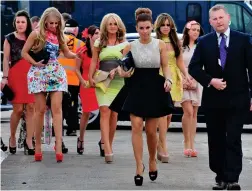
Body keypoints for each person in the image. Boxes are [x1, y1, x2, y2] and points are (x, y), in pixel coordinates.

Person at [189, 4, 252, 190]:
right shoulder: (204, 41)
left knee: (233, 138)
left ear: (228, 18)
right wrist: (210, 81)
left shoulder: (244, 40)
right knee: (216, 139)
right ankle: (220, 176)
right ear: (210, 22)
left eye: (221, 18)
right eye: (214, 19)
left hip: (237, 99)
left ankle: (233, 179)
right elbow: (194, 67)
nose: (218, 21)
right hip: (213, 100)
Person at [122, 8, 174, 186]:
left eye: (147, 28)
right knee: (136, 125)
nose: (144, 31)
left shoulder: (160, 44)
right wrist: (124, 73)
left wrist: (168, 79)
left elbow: (166, 66)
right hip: (136, 86)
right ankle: (138, 166)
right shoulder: (130, 46)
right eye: (141, 28)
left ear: (152, 27)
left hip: (154, 87)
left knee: (152, 131)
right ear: (136, 28)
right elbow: (124, 70)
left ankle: (152, 160)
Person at [22, 7, 80, 163]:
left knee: (57, 109)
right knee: (39, 110)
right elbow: (24, 52)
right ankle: (38, 146)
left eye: (56, 23)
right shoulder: (36, 34)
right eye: (50, 23)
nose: (53, 26)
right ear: (44, 22)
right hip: (39, 72)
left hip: (56, 72)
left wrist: (77, 54)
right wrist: (34, 63)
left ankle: (59, 144)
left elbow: (66, 53)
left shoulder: (60, 35)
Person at [89, 13, 131, 163]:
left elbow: (127, 62)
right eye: (110, 24)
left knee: (114, 115)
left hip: (118, 81)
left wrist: (119, 70)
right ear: (105, 26)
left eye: (115, 24)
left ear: (119, 26)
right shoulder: (99, 42)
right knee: (104, 110)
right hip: (102, 80)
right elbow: (94, 61)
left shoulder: (125, 43)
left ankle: (107, 143)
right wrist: (90, 76)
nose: (112, 26)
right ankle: (107, 148)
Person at [154, 13, 190, 162]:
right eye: (163, 24)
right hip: (160, 77)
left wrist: (186, 76)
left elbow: (180, 61)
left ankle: (159, 143)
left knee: (168, 115)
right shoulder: (155, 41)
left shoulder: (176, 41)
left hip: (174, 77)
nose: (166, 27)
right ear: (158, 26)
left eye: (168, 25)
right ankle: (163, 147)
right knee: (162, 113)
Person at [1, 10, 35, 155]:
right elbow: (6, 59)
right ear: (15, 23)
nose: (20, 24)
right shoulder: (9, 38)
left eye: (23, 22)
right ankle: (13, 138)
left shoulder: (32, 37)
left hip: (31, 75)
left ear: (27, 23)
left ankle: (29, 140)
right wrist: (5, 78)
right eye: (18, 22)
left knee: (31, 109)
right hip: (15, 75)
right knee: (18, 109)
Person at [176, 20, 204, 157]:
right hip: (183, 80)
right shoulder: (181, 45)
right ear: (187, 31)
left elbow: (204, 66)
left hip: (197, 81)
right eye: (193, 29)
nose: (196, 32)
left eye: (198, 30)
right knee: (187, 111)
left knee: (194, 112)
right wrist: (182, 79)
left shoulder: (201, 46)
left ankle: (192, 144)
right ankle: (186, 143)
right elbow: (176, 63)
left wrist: (196, 79)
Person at [75, 25, 100, 155]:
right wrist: (82, 81)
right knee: (86, 112)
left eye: (99, 33)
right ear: (90, 36)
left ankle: (103, 142)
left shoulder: (102, 50)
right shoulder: (82, 51)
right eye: (96, 33)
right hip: (86, 83)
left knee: (105, 111)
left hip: (100, 83)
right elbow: (76, 69)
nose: (98, 36)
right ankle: (81, 139)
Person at [58, 19, 85, 136]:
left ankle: (56, 128)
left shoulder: (58, 41)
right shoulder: (80, 44)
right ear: (76, 30)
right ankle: (72, 128)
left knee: (58, 105)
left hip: (58, 79)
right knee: (72, 105)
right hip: (73, 80)